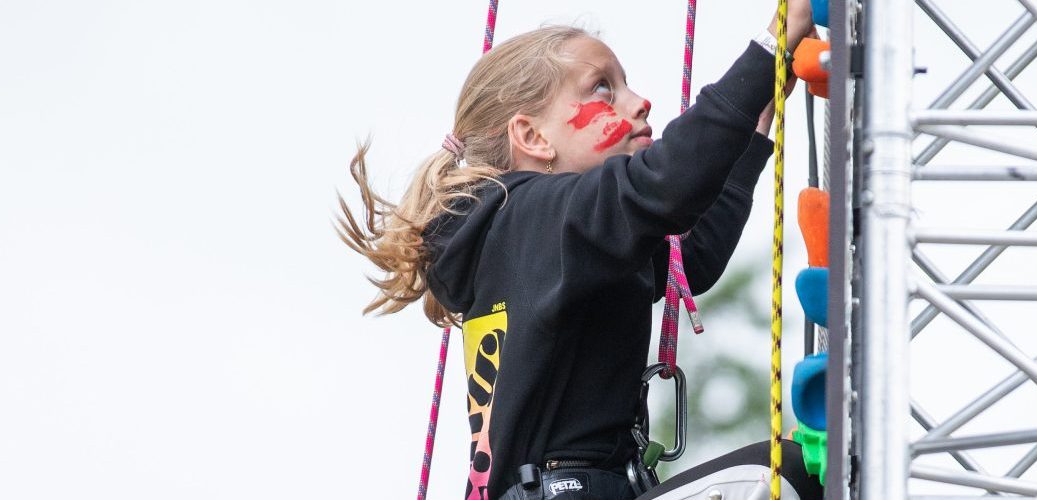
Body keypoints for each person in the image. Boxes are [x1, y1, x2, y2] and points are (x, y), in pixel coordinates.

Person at [339, 5, 821, 499]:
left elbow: (690, 259)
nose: (640, 103)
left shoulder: (552, 238)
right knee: (793, 472)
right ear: (532, 137)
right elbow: (667, 183)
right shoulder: (531, 217)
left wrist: (754, 119)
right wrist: (772, 43)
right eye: (602, 89)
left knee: (792, 471)